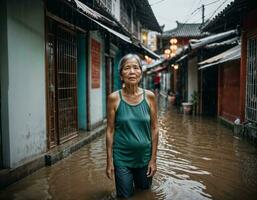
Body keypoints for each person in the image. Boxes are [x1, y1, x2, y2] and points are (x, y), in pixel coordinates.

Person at [105, 54, 159, 198]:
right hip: (122, 158)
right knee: (124, 196)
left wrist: (153, 159)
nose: (132, 72)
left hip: (144, 158)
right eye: (127, 68)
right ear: (121, 75)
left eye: (136, 67)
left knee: (144, 192)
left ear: (141, 73)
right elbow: (110, 130)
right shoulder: (114, 98)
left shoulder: (150, 97)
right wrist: (109, 161)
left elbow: (155, 128)